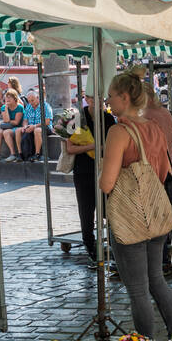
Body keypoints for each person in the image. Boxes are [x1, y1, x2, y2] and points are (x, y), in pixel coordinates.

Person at [99, 68, 172, 338]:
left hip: (129, 217)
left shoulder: (119, 132)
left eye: (110, 96)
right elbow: (163, 173)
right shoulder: (155, 128)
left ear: (124, 97)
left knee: (137, 289)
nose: (107, 101)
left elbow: (107, 184)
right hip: (156, 213)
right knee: (157, 280)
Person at [71, 95, 115, 264]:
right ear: (87, 99)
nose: (98, 103)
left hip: (105, 170)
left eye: (101, 99)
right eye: (93, 98)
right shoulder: (77, 117)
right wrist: (95, 146)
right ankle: (90, 247)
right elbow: (70, 148)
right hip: (83, 171)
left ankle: (113, 245)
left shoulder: (108, 117)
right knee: (86, 211)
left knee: (109, 209)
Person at [20, 90, 53, 162]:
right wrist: (25, 126)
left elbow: (47, 121)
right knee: (19, 131)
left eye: (32, 100)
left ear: (38, 98)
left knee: (37, 130)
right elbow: (25, 120)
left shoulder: (46, 106)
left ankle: (37, 154)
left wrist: (34, 126)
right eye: (29, 101)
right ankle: (22, 155)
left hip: (45, 127)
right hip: (32, 127)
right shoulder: (28, 106)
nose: (31, 103)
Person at [0, 89, 25, 159]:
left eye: (9, 97)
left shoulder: (19, 107)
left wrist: (7, 121)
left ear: (15, 98)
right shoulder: (3, 107)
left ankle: (13, 154)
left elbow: (16, 122)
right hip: (8, 126)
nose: (7, 99)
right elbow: (6, 120)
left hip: (18, 127)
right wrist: (5, 109)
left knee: (6, 132)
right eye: (6, 97)